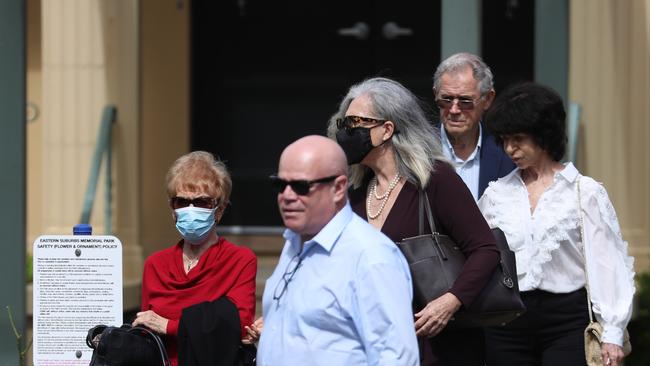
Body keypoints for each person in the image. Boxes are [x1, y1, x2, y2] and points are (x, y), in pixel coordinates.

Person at [327, 77, 500, 366]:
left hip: (437, 346)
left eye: (355, 122)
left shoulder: (435, 180)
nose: (347, 133)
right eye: (344, 125)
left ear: (387, 129)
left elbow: (485, 250)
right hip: (375, 344)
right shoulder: (354, 195)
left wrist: (451, 301)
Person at [477, 82, 635, 366]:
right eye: (504, 139)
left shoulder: (584, 192)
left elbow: (608, 262)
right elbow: (480, 254)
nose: (510, 148)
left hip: (567, 322)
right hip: (507, 323)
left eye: (519, 138)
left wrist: (612, 330)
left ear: (543, 135)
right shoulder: (496, 194)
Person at [256, 135, 419, 366]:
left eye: (301, 186)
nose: (287, 196)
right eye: (280, 185)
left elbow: (395, 357)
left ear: (339, 188)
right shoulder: (294, 243)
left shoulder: (371, 257)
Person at [133, 151, 257, 366]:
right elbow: (146, 333)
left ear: (220, 209)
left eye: (202, 202)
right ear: (172, 209)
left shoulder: (240, 260)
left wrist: (169, 326)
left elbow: (238, 325)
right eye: (181, 202)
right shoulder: (155, 264)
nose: (191, 210)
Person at [433, 52, 515, 200]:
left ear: (488, 99)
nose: (454, 110)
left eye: (465, 101)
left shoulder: (508, 153)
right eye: (446, 99)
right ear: (435, 94)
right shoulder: (417, 150)